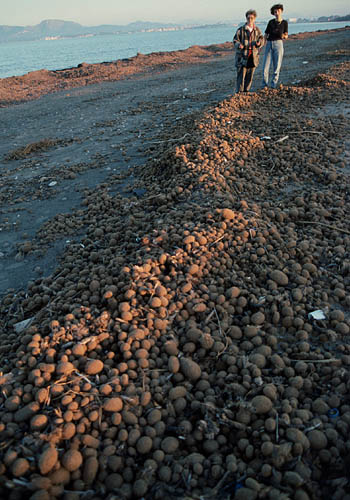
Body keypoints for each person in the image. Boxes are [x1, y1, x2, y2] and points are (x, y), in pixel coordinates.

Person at [233, 10, 264, 93]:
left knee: (249, 76)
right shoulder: (241, 30)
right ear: (246, 18)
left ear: (254, 19)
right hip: (242, 57)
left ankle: (246, 91)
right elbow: (235, 40)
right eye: (248, 18)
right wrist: (239, 45)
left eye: (252, 18)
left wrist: (259, 43)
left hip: (253, 57)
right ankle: (239, 93)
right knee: (240, 76)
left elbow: (261, 39)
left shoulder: (257, 30)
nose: (250, 19)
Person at [261, 4, 288, 89]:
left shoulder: (284, 23)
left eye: (278, 11)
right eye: (275, 11)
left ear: (281, 11)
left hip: (278, 44)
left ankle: (273, 85)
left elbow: (286, 34)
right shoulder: (271, 22)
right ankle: (264, 85)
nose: (277, 13)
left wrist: (284, 36)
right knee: (265, 67)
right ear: (273, 13)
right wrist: (262, 44)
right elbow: (266, 34)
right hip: (269, 43)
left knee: (277, 66)